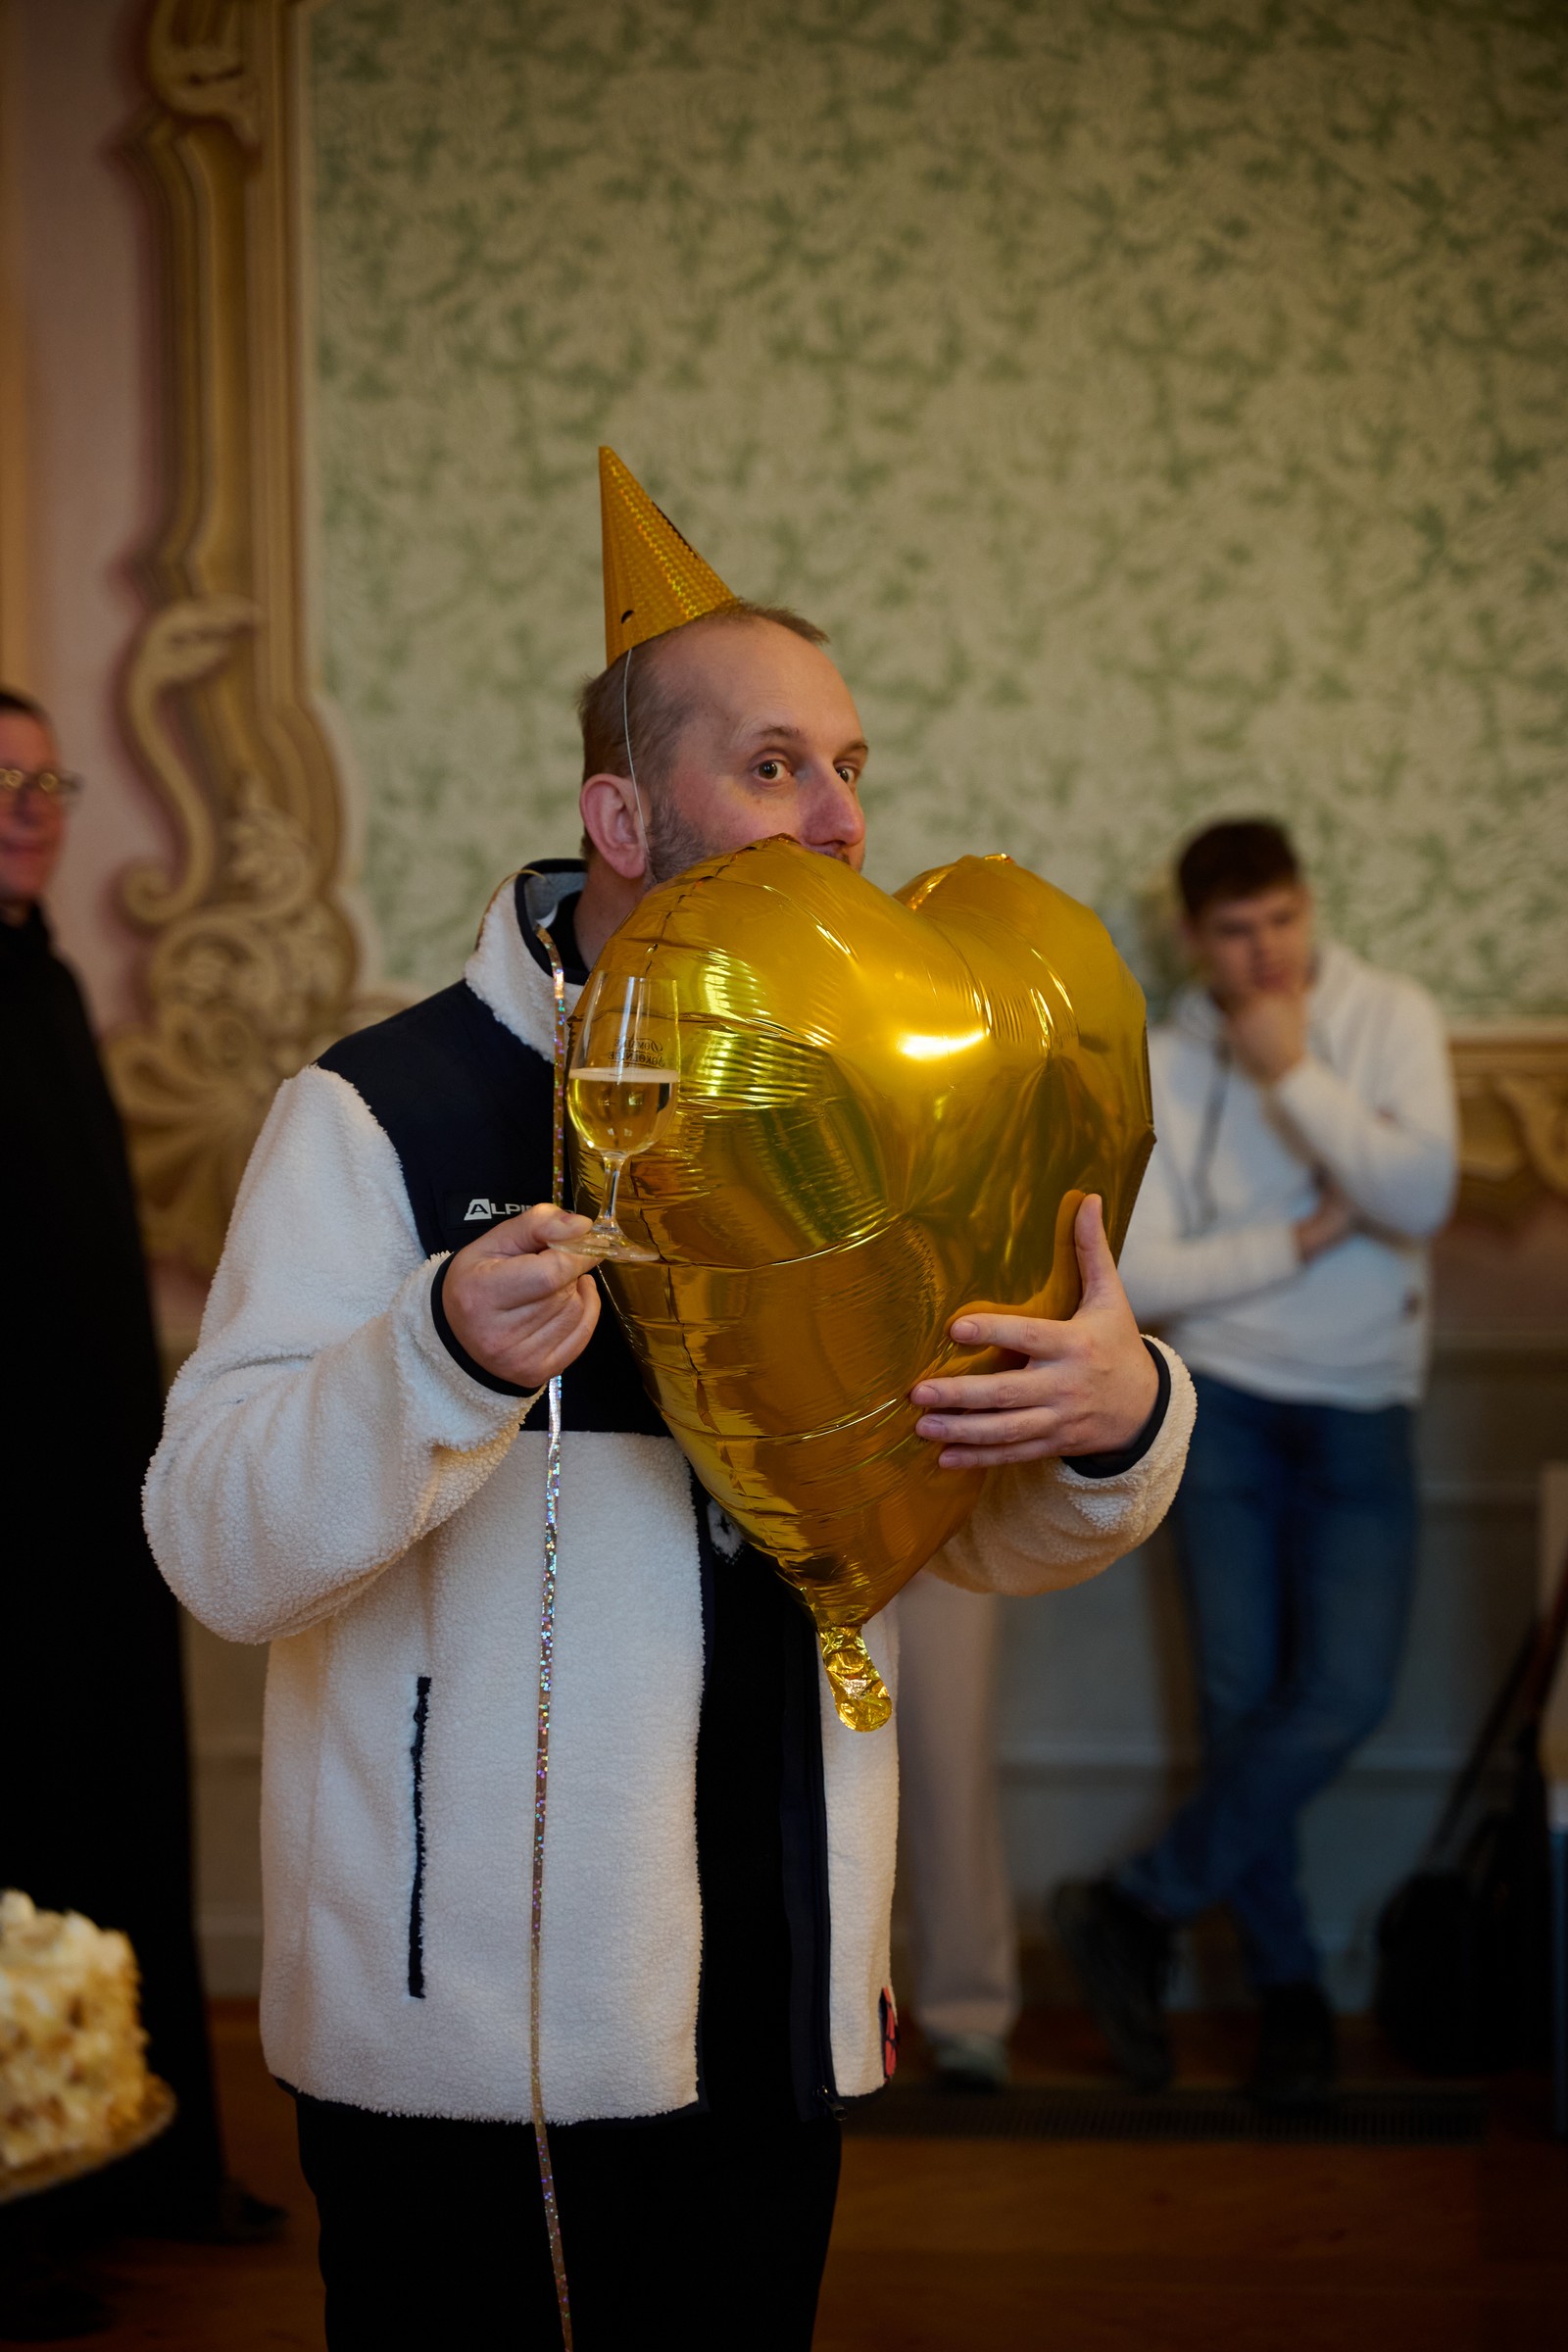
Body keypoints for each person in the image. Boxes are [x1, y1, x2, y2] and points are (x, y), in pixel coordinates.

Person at [144, 455, 1196, 2347]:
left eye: (851, 765)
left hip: (778, 1999)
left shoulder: (886, 1111)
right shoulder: (384, 1109)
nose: (841, 819)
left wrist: (1113, 1418)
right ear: (620, 813)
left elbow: (953, 1534)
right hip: (460, 2047)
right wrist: (432, 1355)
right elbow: (214, 1543)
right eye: (774, 766)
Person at [1053, 817, 1457, 2105]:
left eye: (1282, 919)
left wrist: (1294, 1077)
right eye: (1235, 932)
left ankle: (1136, 1904)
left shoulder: (1390, 1020)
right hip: (1218, 1401)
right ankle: (1289, 1993)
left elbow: (1422, 1196)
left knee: (1342, 1693)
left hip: (1362, 1404)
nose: (1265, 951)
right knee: (1240, 1705)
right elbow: (1150, 1271)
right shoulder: (1170, 1062)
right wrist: (1303, 1239)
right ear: (1193, 937)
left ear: (1307, 906)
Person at [0, 688, 280, 2338]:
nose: (31, 805)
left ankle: (135, 2163)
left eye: (45, 776)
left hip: (87, 1504)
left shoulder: (39, 980)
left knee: (107, 1809)